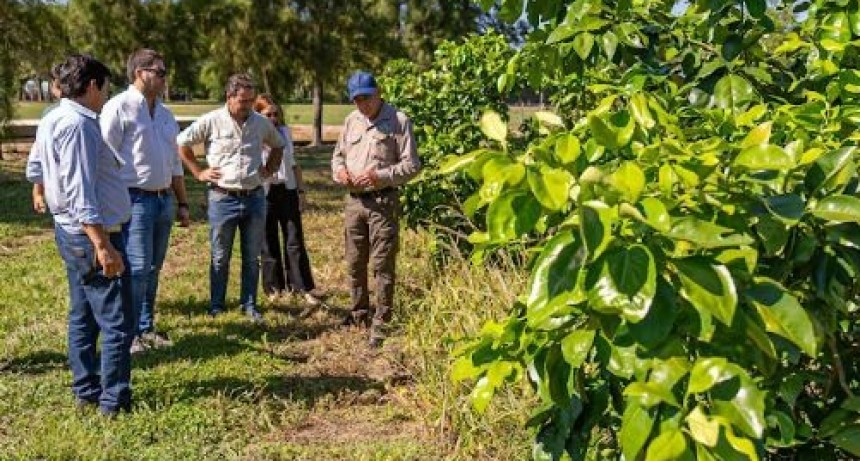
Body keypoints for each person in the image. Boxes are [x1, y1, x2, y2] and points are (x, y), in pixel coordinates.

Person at [26, 54, 134, 417]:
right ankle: (112, 400)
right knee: (117, 321)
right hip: (91, 236)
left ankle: (86, 389)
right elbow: (80, 190)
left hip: (70, 231)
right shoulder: (79, 125)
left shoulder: (53, 117)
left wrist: (40, 191)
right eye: (105, 87)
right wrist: (102, 245)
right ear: (92, 86)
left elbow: (37, 165)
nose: (106, 95)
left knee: (83, 314)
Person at [100, 49, 190, 353]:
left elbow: (175, 163)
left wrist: (183, 203)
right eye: (160, 72)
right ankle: (127, 335)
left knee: (153, 268)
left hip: (164, 200)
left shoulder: (165, 114)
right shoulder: (118, 108)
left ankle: (145, 327)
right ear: (141, 73)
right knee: (136, 269)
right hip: (134, 200)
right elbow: (104, 159)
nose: (165, 78)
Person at [177, 74, 285, 321]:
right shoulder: (212, 121)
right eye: (242, 101)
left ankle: (249, 304)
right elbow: (182, 143)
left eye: (250, 100)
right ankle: (217, 305)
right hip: (222, 197)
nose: (247, 105)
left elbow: (279, 144)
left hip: (254, 197)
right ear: (229, 97)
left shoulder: (260, 123)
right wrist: (198, 171)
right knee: (220, 256)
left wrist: (268, 170)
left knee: (251, 256)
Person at [331, 71, 421, 347]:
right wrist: (341, 173)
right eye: (357, 100)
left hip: (383, 202)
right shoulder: (351, 121)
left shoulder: (398, 120)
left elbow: (412, 166)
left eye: (367, 98)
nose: (363, 105)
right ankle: (359, 312)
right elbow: (337, 157)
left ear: (378, 92)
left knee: (382, 264)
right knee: (355, 261)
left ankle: (382, 320)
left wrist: (380, 176)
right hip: (354, 203)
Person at [254, 96, 323, 306]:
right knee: (268, 241)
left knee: (294, 240)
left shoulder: (285, 133)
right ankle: (274, 288)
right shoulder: (253, 136)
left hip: (287, 189)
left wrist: (301, 192)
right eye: (268, 114)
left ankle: (302, 287)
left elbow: (293, 164)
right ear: (259, 115)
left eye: (276, 114)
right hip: (265, 192)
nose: (273, 118)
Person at [28, 63, 64, 215]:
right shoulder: (50, 113)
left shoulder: (50, 113)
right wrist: (38, 192)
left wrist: (38, 193)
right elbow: (41, 156)